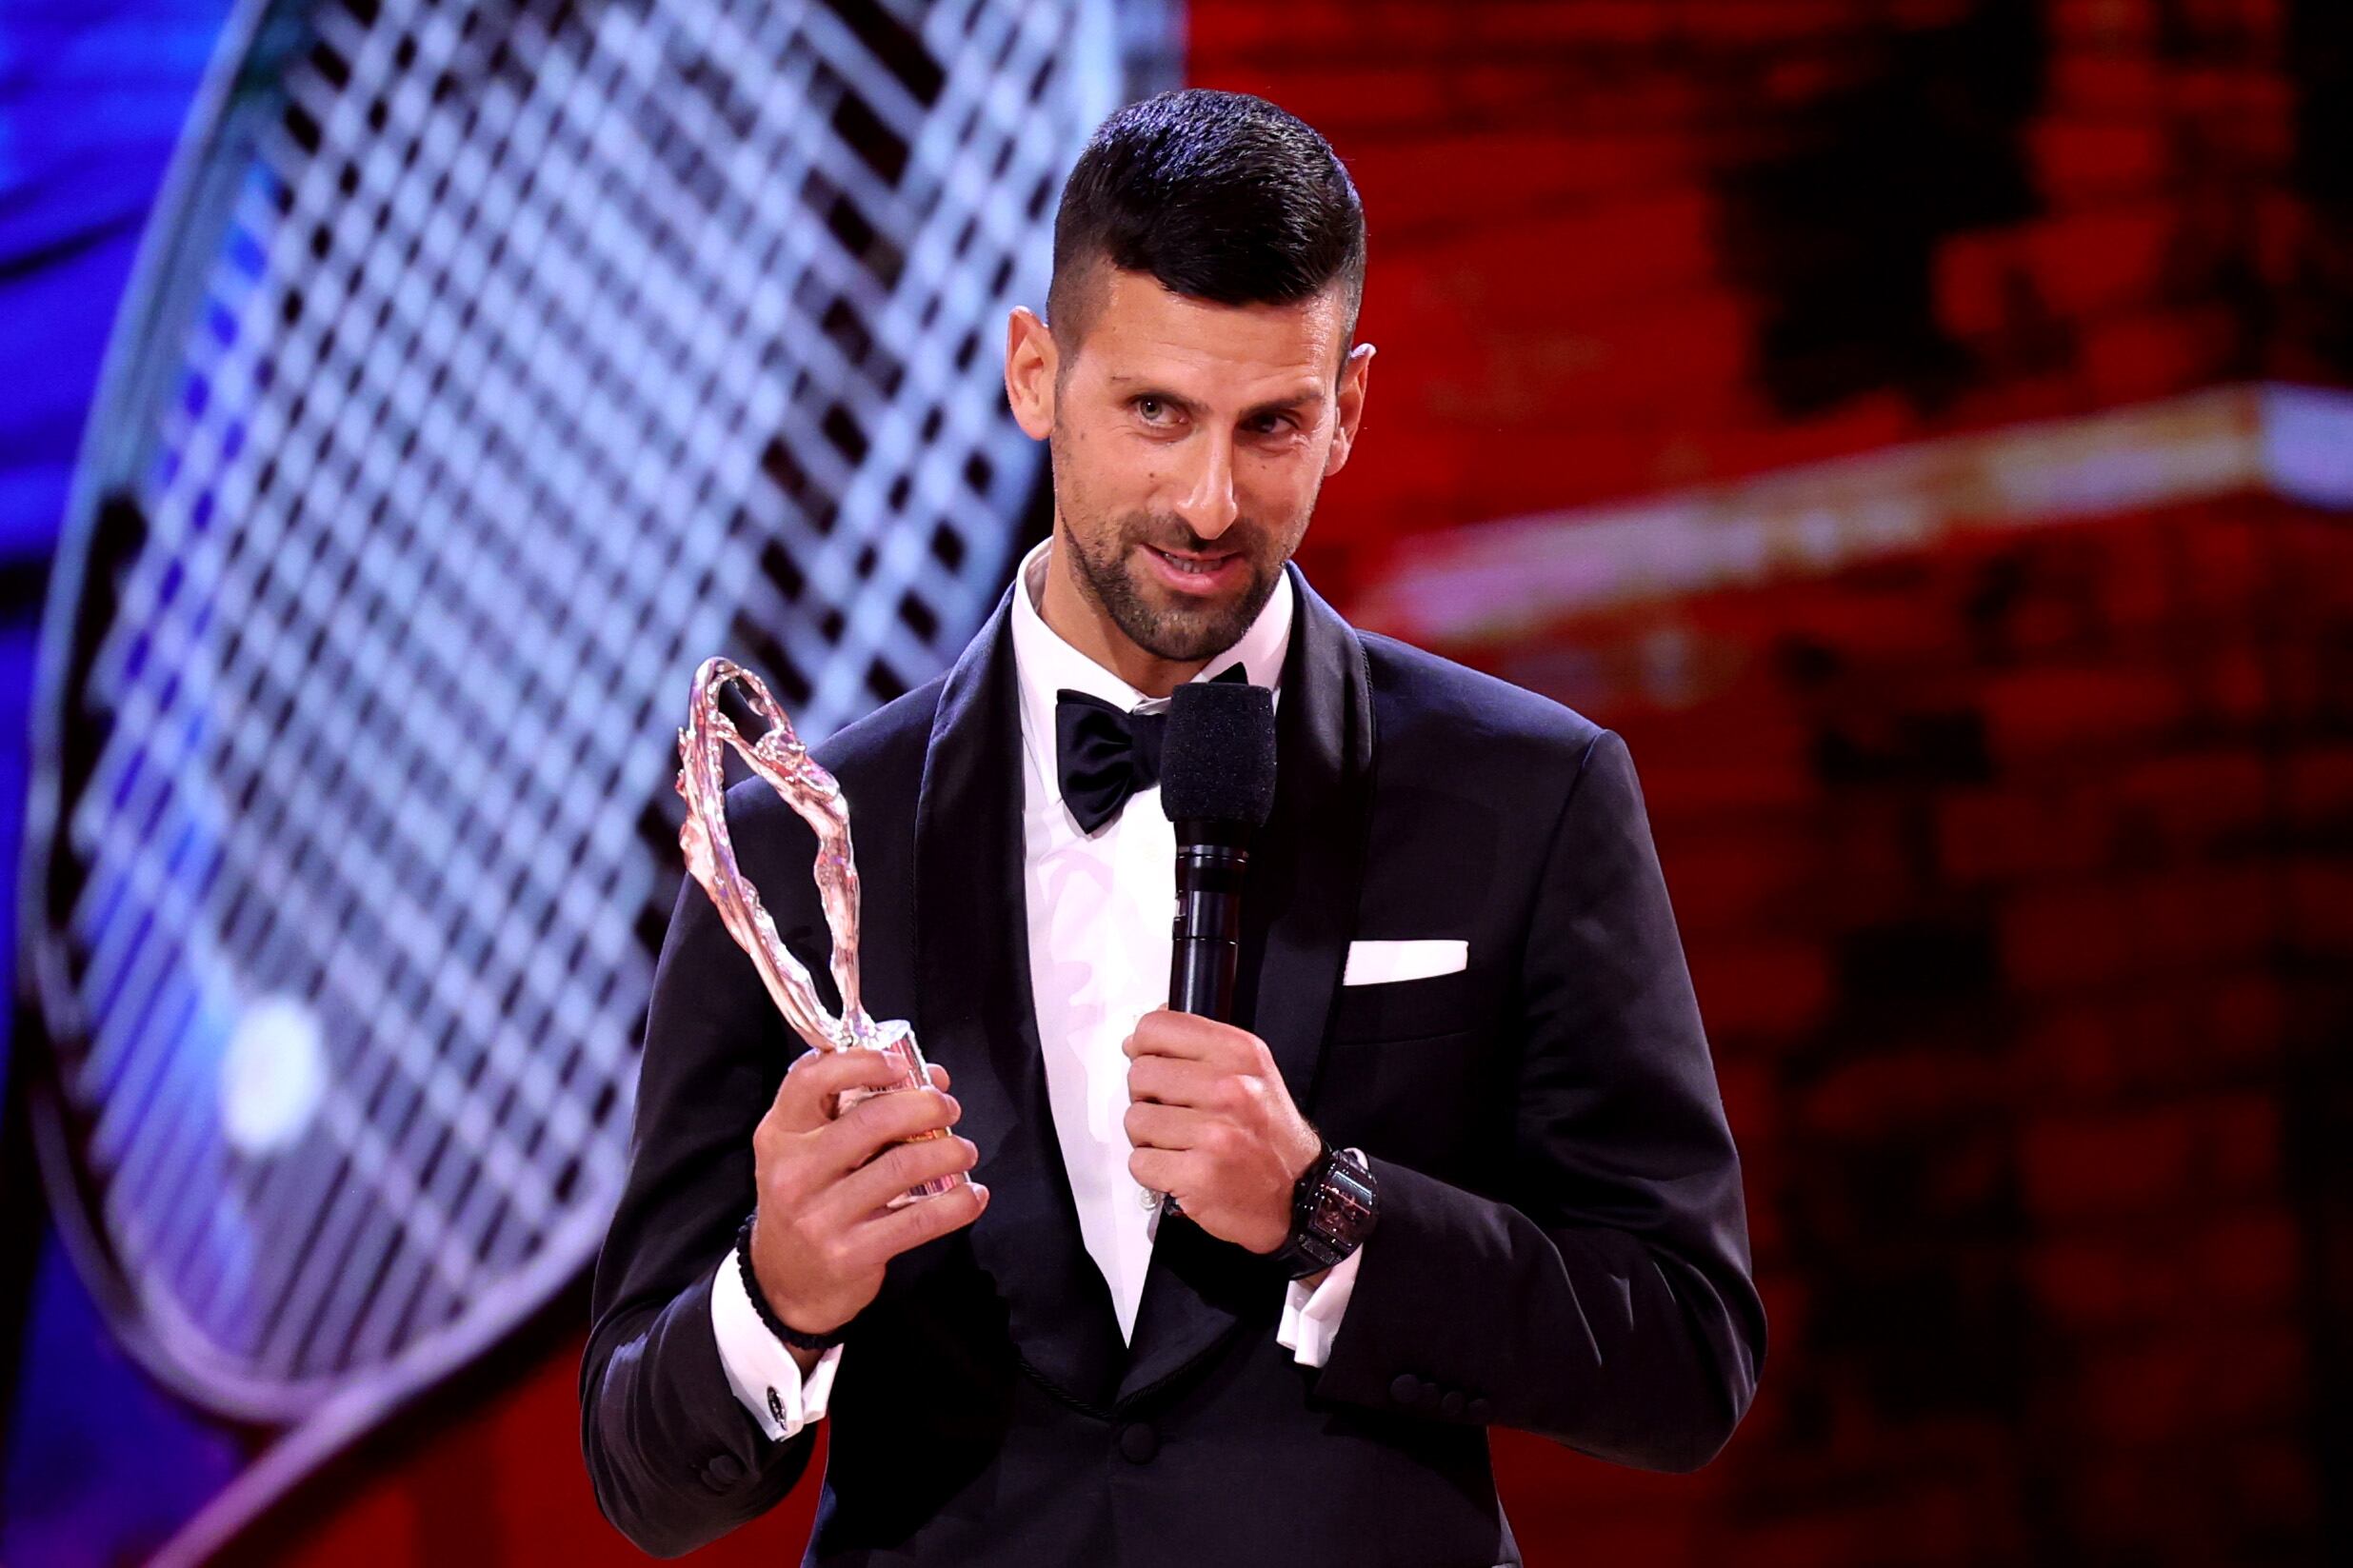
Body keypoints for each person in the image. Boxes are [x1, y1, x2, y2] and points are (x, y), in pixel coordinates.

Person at [581, 87, 1765, 1566]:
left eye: (1271, 423)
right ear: (1034, 374)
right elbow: (641, 1468)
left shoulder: (1526, 793)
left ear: (1351, 409)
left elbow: (1687, 1354)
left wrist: (1332, 1211)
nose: (1209, 502)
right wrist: (777, 1298)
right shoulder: (796, 852)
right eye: (1155, 414)